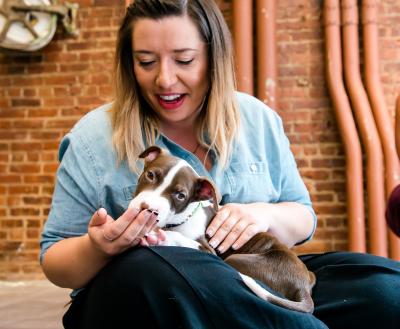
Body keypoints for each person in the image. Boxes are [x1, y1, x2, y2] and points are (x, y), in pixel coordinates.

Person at [40, 1, 400, 328]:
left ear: (214, 58)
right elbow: (55, 260)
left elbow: (303, 218)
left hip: (251, 273)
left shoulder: (257, 120)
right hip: (147, 295)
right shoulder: (93, 138)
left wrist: (264, 215)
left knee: (386, 291)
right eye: (146, 61)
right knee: (163, 272)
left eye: (184, 60)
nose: (164, 79)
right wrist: (99, 248)